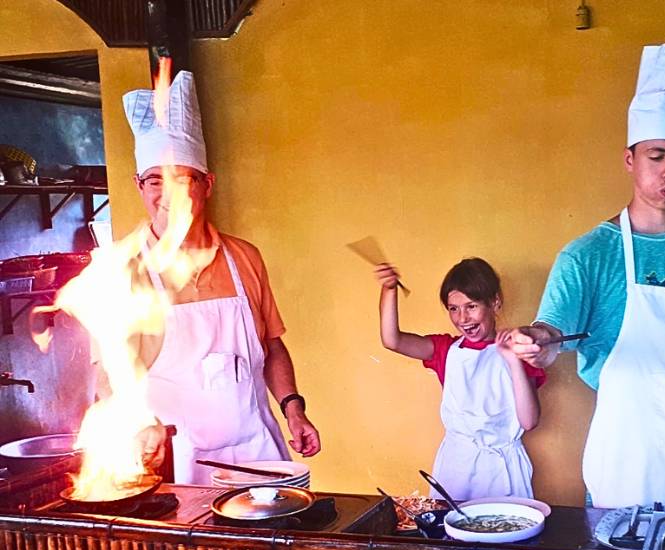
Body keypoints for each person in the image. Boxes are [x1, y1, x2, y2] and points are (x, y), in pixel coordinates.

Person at [511, 44, 665, 509]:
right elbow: (549, 334)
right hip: (627, 455)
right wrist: (534, 340)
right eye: (656, 155)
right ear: (630, 160)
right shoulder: (588, 254)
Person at [100, 70, 321, 484]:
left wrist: (293, 408)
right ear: (138, 184)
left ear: (208, 184)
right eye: (154, 180)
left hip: (260, 457)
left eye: (184, 179)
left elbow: (271, 346)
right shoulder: (123, 270)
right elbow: (108, 377)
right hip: (177, 468)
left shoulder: (245, 258)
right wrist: (136, 423)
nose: (169, 195)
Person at [374, 257, 545, 500]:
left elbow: (529, 421)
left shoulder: (521, 350)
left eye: (471, 306)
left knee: (506, 533)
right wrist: (389, 290)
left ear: (495, 302)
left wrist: (513, 361)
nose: (462, 318)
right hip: (456, 467)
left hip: (503, 468)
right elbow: (393, 340)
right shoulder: (445, 349)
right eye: (454, 308)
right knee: (451, 534)